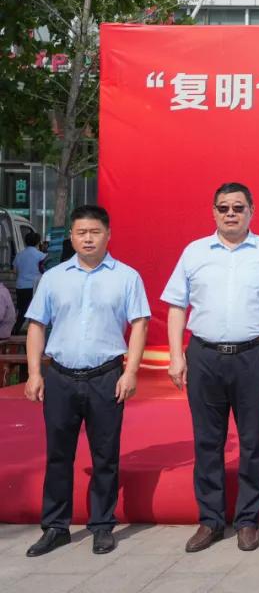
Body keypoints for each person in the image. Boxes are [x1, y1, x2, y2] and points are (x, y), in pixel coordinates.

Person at [162, 182, 259, 554]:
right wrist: (176, 355)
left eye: (238, 207)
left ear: (251, 211)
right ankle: (210, 520)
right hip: (205, 356)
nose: (231, 214)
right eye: (224, 208)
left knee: (253, 441)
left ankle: (248, 520)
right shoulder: (195, 252)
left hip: (254, 356)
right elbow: (176, 306)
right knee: (208, 441)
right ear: (214, 212)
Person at [22, 205, 150, 557]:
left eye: (95, 232)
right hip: (61, 376)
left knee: (105, 455)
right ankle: (55, 527)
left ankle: (102, 525)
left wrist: (131, 371)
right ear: (72, 237)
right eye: (81, 233)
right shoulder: (53, 278)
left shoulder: (127, 277)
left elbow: (139, 323)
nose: (88, 239)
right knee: (57, 455)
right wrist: (34, 373)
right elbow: (37, 325)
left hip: (106, 376)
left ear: (108, 235)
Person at [13, 230, 46, 334]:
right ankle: (32, 332)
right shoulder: (41, 255)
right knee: (35, 311)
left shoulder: (19, 255)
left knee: (21, 310)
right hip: (34, 287)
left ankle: (16, 330)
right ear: (38, 242)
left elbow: (15, 271)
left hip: (20, 286)